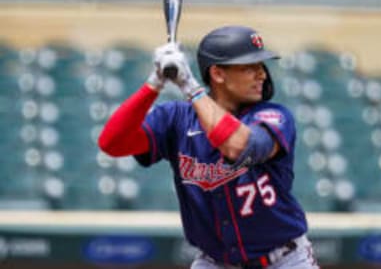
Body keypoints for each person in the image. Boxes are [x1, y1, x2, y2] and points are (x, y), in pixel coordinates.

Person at [98, 25, 319, 269]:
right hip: (215, 262)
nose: (262, 75)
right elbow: (112, 143)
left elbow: (238, 146)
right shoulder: (176, 118)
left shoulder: (273, 115)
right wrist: (154, 83)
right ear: (218, 74)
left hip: (283, 260)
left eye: (261, 66)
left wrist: (189, 86)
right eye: (249, 67)